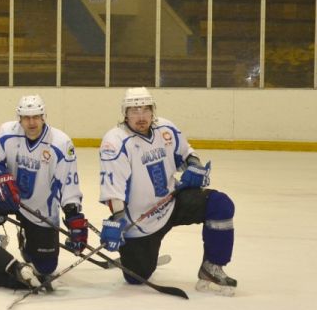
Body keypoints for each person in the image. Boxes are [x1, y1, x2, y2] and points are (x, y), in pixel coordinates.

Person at [98, 87, 237, 295]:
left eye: (146, 110)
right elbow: (113, 188)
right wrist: (118, 219)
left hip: (172, 202)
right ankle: (133, 255)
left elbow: (186, 153)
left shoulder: (166, 128)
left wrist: (194, 166)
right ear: (125, 113)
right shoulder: (115, 142)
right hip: (141, 222)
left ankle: (212, 267)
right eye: (134, 111)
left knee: (219, 204)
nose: (141, 117)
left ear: (153, 110)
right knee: (136, 276)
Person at [0, 94, 87, 277]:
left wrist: (74, 215)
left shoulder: (60, 143)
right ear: (20, 118)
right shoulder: (6, 132)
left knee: (45, 268)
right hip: (7, 195)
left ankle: (27, 238)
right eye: (26, 118)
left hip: (39, 208)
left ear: (43, 117)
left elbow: (68, 183)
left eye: (36, 117)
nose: (31, 122)